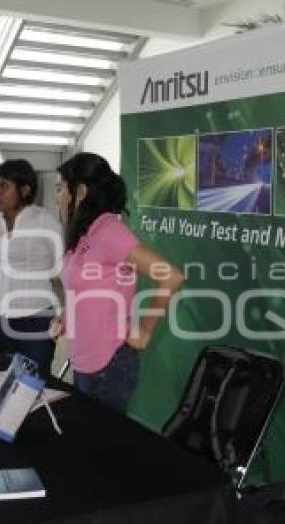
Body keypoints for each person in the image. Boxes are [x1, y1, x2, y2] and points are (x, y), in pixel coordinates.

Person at [51, 152, 184, 414]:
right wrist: (67, 315)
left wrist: (144, 329)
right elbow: (84, 286)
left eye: (59, 189)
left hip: (109, 365)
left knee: (102, 450)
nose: (57, 196)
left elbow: (170, 275)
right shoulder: (84, 231)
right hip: (84, 359)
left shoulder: (109, 230)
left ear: (80, 191)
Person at [0, 159, 62, 378]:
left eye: (3, 185)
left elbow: (66, 271)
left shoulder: (45, 221)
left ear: (24, 190)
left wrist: (67, 314)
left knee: (34, 386)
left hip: (36, 320)